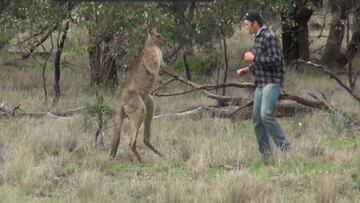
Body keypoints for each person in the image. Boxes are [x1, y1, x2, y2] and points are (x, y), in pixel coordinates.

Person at [236, 11, 290, 159]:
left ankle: (285, 148)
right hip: (260, 83)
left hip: (272, 82)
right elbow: (261, 63)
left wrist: (254, 57)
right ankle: (266, 155)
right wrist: (247, 69)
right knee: (257, 120)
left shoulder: (269, 37)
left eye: (247, 25)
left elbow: (275, 60)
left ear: (255, 23)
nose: (245, 28)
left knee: (266, 115)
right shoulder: (258, 38)